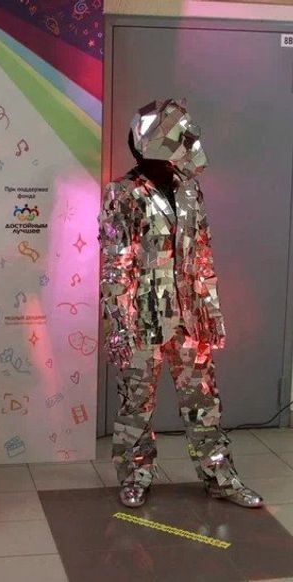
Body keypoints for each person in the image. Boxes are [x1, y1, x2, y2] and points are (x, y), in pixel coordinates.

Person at [99, 99, 262, 509]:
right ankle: (134, 476)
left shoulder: (190, 191)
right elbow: (115, 264)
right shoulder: (123, 193)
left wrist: (211, 312)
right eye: (182, 135)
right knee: (135, 404)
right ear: (155, 139)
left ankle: (220, 477)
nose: (190, 143)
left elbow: (201, 255)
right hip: (143, 319)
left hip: (190, 318)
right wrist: (119, 325)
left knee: (204, 403)